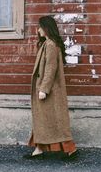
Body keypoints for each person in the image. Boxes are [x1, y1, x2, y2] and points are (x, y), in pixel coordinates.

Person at [24, 16, 78, 160]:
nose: (38, 30)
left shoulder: (51, 45)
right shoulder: (46, 44)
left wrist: (44, 89)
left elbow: (50, 68)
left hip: (50, 91)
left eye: (40, 27)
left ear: (47, 28)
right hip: (46, 89)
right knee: (43, 119)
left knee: (56, 120)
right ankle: (39, 149)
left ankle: (71, 149)